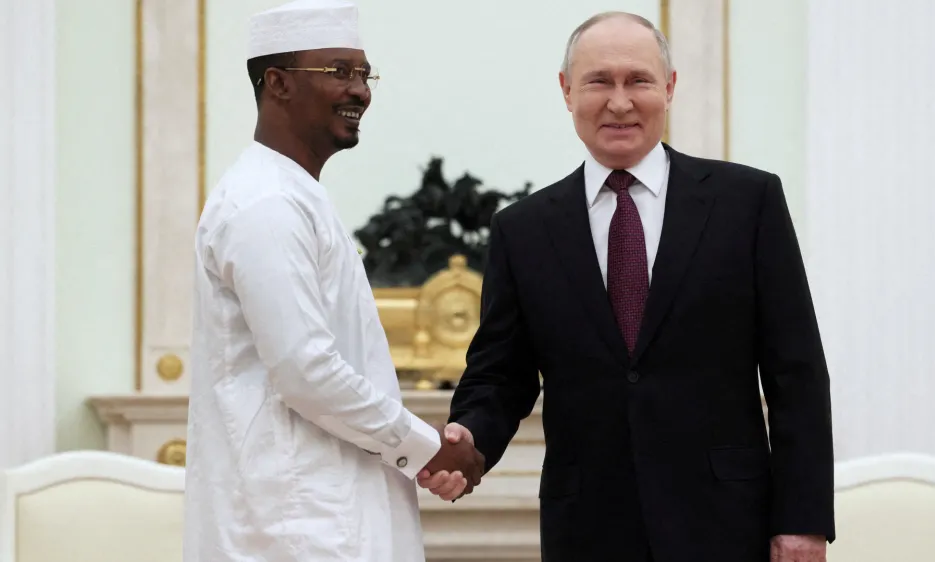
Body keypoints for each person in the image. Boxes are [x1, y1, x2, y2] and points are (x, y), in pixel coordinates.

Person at [418, 11, 835, 562]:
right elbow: (501, 375)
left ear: (670, 87)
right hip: (587, 528)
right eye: (598, 81)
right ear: (567, 91)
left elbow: (796, 373)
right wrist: (468, 439)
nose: (619, 102)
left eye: (638, 80)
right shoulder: (522, 229)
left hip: (727, 525)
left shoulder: (747, 203)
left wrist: (802, 521)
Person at [182, 1, 482, 560]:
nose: (360, 91)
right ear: (278, 83)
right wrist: (425, 448)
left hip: (321, 517)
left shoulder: (295, 194)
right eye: (338, 72)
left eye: (364, 74)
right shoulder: (264, 203)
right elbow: (306, 370)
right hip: (294, 526)